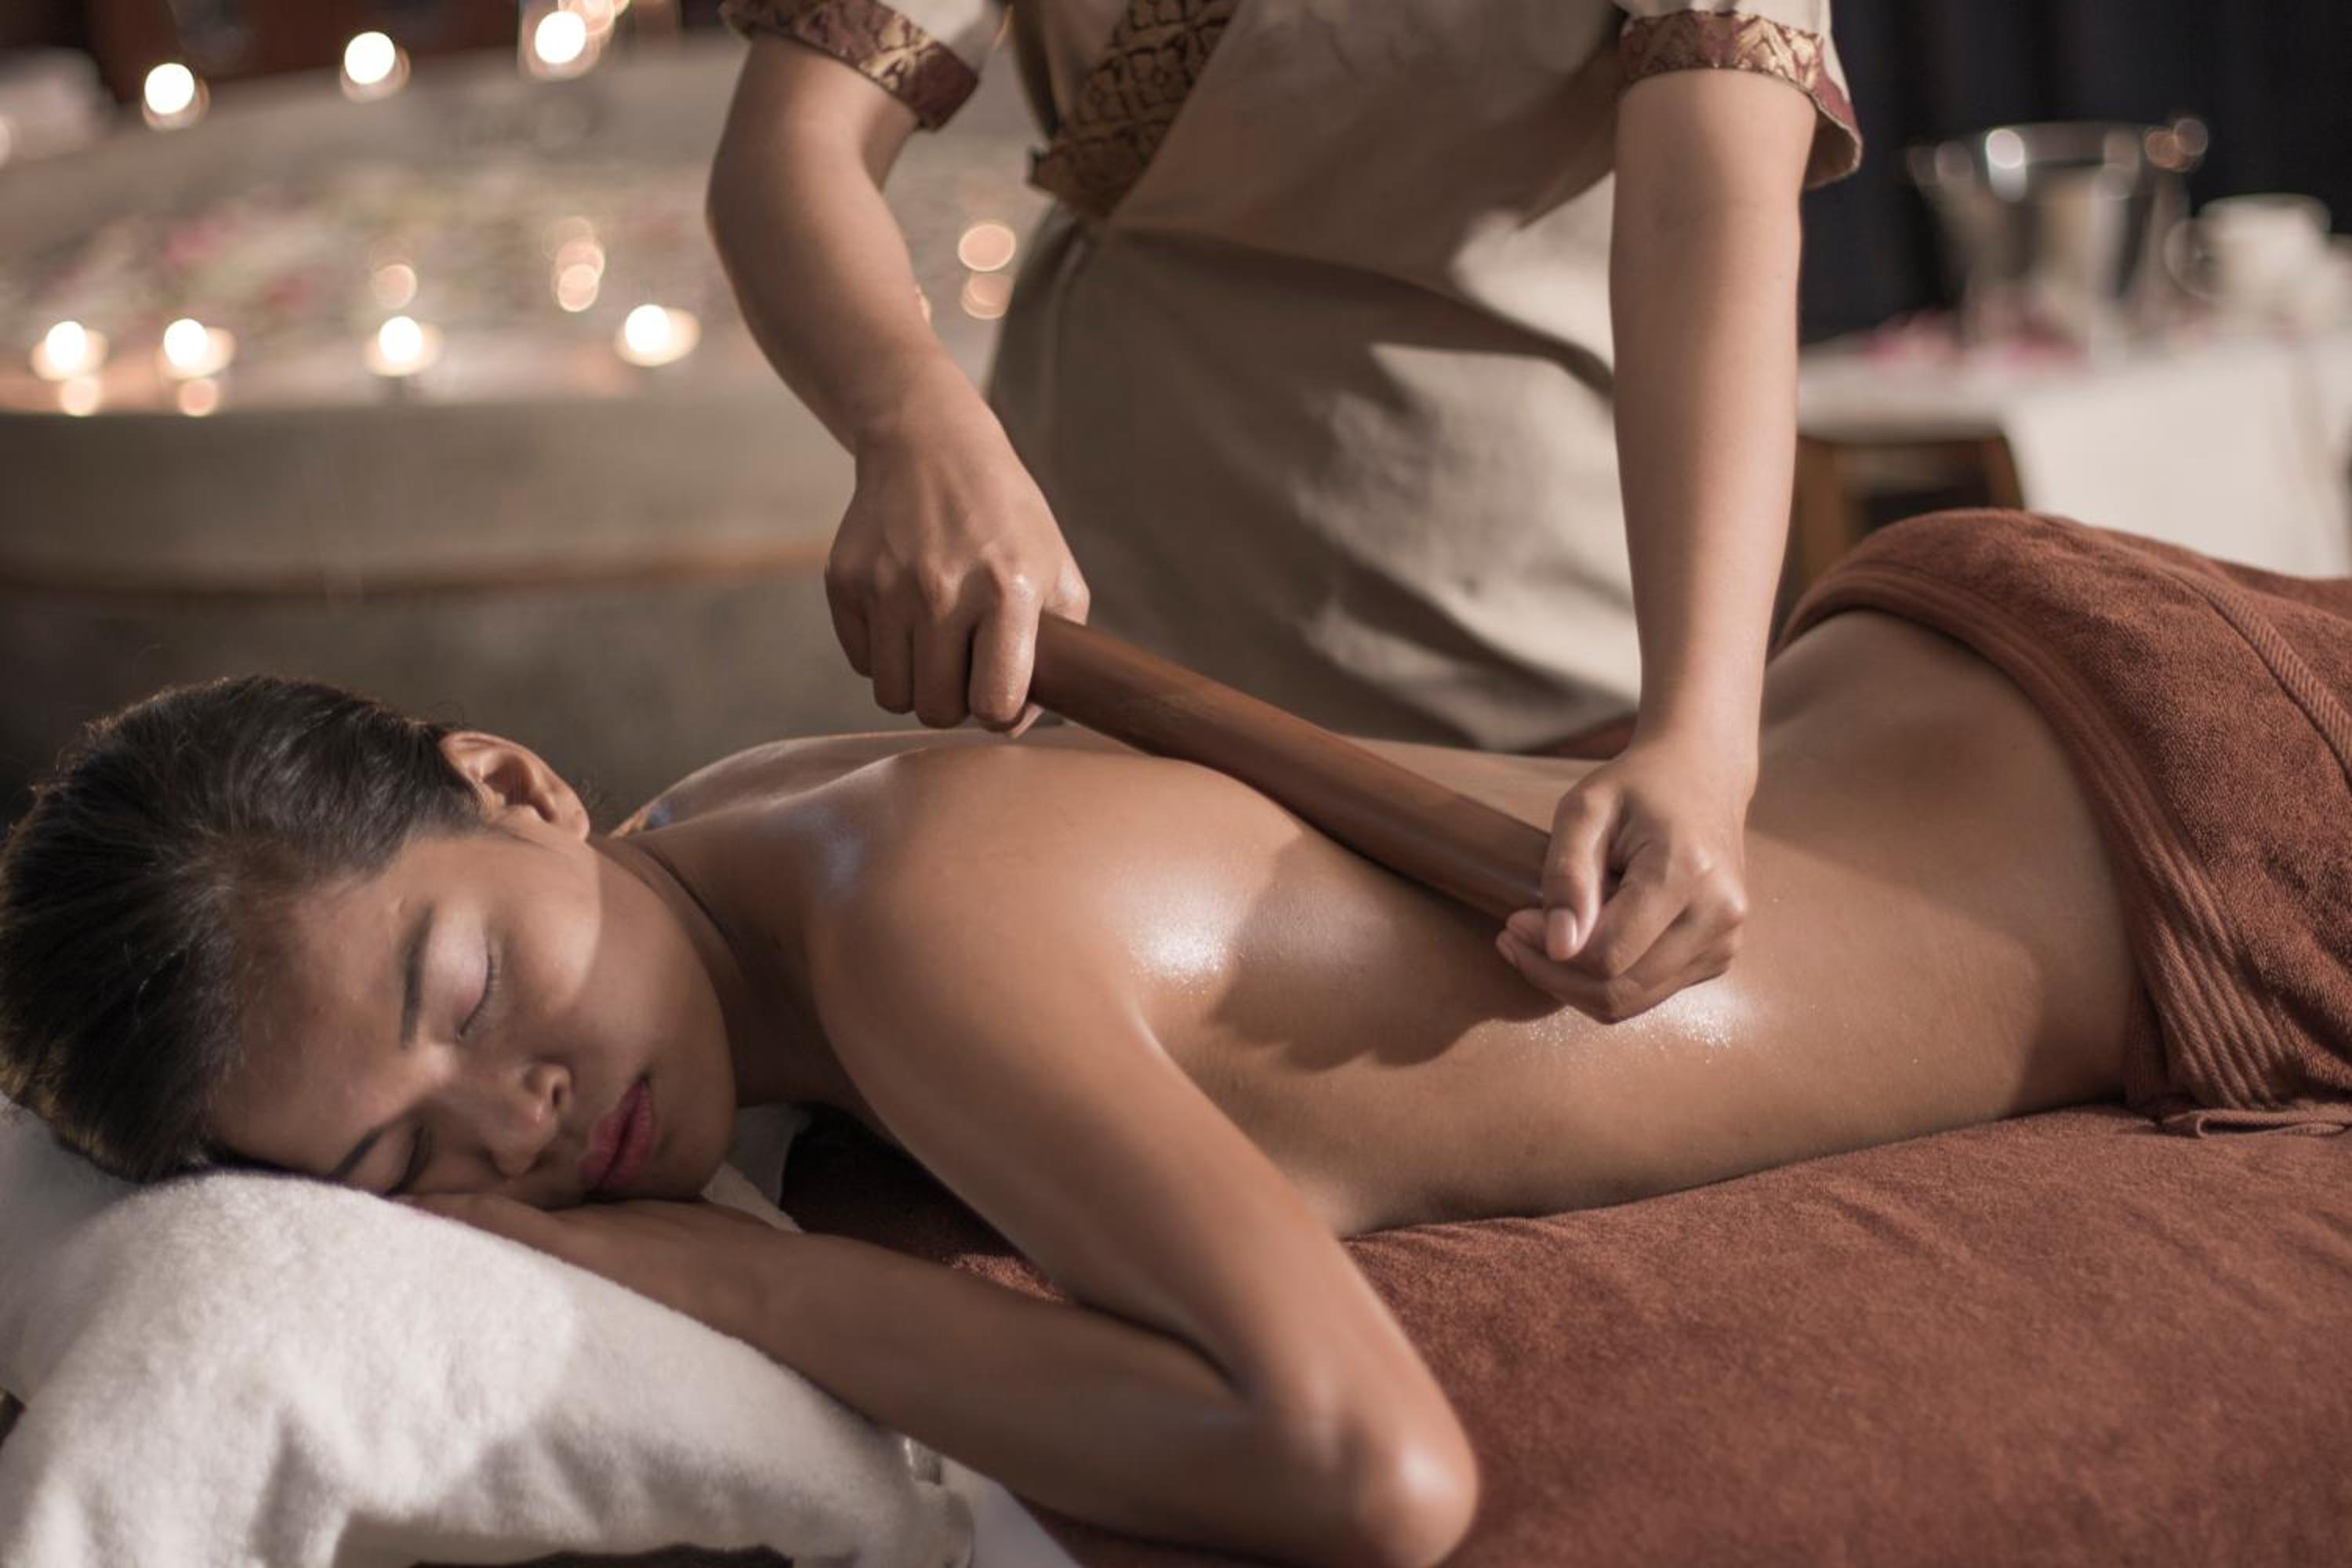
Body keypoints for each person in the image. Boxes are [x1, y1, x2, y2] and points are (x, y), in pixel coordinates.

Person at [5, 512, 2349, 1566]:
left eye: (464, 998)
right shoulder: (730, 835)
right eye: (405, 1171)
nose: (515, 1129)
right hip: (1981, 710)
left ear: (516, 782)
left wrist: (720, 1280)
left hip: (2204, 828)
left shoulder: (905, 926)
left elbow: (1373, 1476)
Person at [706, 0, 1864, 1018]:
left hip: (1545, 667)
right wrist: (912, 423)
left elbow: (1702, 215)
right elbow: (795, 143)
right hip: (1120, 635)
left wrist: (1701, 738)